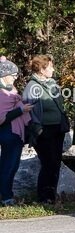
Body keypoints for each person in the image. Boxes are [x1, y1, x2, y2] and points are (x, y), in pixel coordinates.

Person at [23, 55, 70, 204]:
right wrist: (38, 130)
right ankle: (43, 197)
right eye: (50, 67)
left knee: (56, 162)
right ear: (42, 69)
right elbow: (28, 112)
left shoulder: (52, 84)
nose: (53, 69)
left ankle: (51, 195)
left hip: (57, 129)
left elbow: (60, 105)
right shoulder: (32, 87)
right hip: (43, 130)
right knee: (47, 163)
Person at [0, 57, 33, 206]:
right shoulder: (3, 94)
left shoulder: (10, 91)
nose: (15, 77)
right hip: (8, 133)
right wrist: (21, 110)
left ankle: (6, 195)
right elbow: (2, 117)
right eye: (13, 74)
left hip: (13, 134)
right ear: (4, 75)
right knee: (9, 166)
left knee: (10, 166)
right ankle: (6, 197)